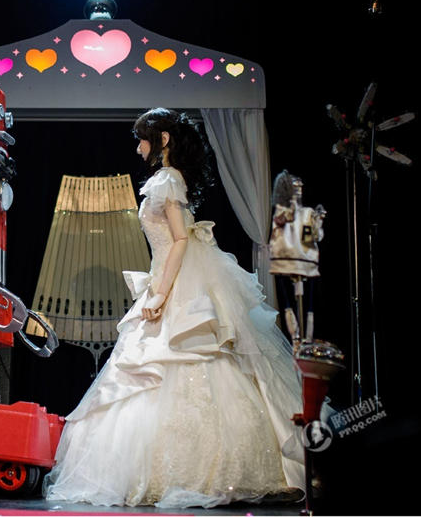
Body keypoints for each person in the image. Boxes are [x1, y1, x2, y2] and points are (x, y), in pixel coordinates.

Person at [44, 108, 305, 508]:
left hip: (176, 283)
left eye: (143, 139)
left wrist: (161, 293)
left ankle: (202, 470)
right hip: (166, 274)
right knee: (154, 370)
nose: (138, 147)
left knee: (187, 361)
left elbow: (180, 239)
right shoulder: (169, 179)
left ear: (163, 140)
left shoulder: (167, 179)